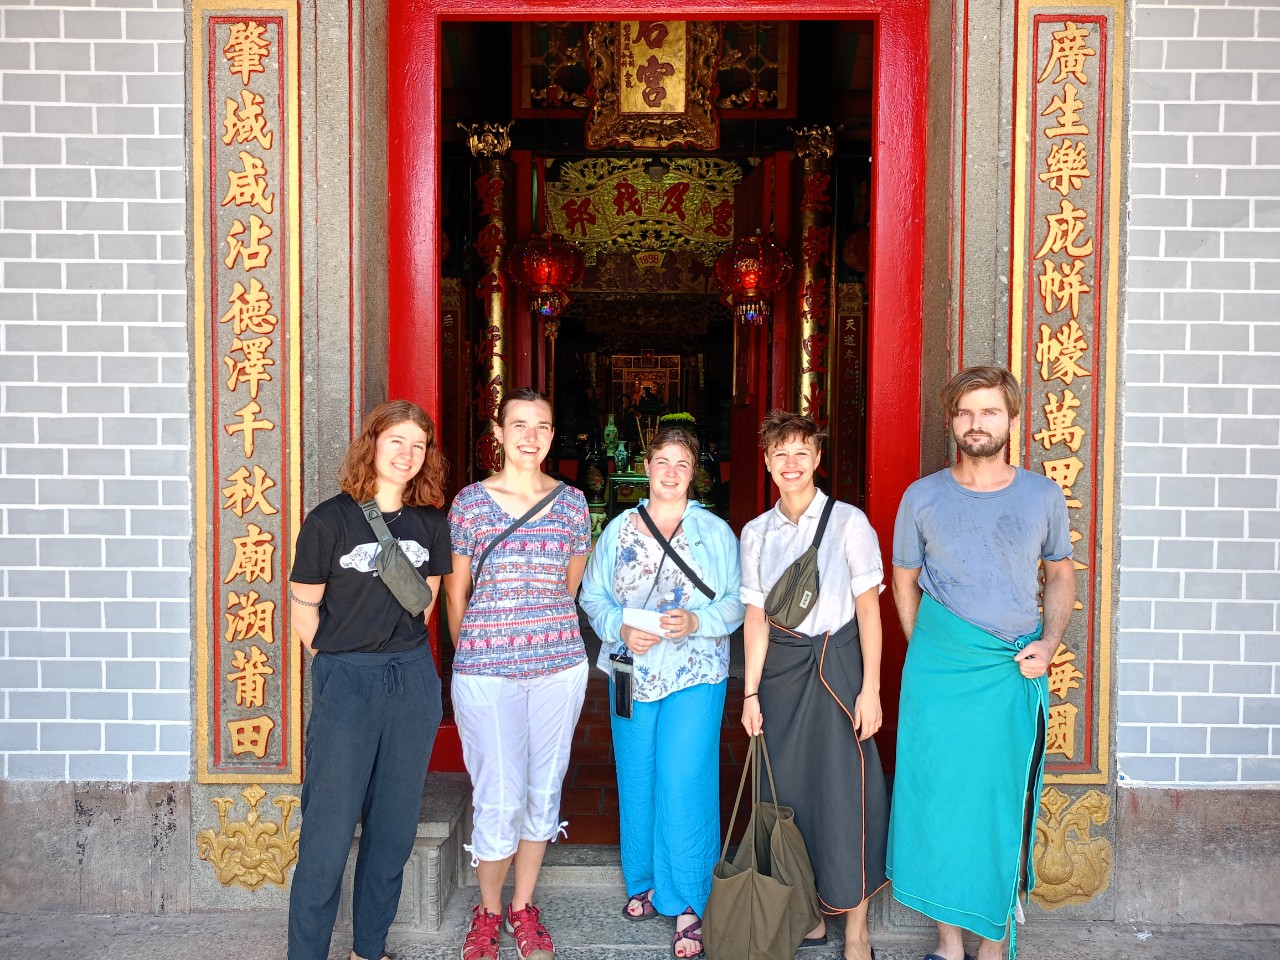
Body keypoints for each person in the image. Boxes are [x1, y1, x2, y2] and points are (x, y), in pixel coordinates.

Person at [887, 366, 1076, 960]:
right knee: (937, 798)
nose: (977, 423)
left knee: (998, 802)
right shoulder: (922, 496)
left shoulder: (1042, 495)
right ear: (951, 422)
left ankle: (991, 943)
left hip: (1009, 672)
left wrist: (1048, 644)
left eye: (990, 412)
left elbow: (1061, 574)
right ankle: (948, 945)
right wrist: (930, 648)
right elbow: (904, 579)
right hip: (939, 673)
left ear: (1012, 421)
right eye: (966, 413)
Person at [287, 400, 452, 960]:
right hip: (348, 683)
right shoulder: (329, 520)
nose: (407, 454)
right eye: (396, 442)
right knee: (328, 836)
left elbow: (423, 606)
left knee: (393, 833)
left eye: (418, 445)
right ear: (372, 446)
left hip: (410, 680)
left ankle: (369, 948)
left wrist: (392, 659)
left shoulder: (431, 521)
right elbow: (304, 612)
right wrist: (346, 662)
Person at [579, 425, 746, 960]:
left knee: (684, 776)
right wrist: (619, 630)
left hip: (696, 671)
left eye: (682, 464)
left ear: (694, 472)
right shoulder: (620, 530)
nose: (671, 472)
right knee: (638, 771)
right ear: (646, 466)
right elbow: (593, 595)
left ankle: (691, 899)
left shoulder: (714, 532)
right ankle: (646, 879)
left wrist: (695, 621)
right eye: (662, 461)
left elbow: (736, 605)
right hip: (632, 669)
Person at [444, 388, 593, 960]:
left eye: (543, 427)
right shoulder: (471, 504)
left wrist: (535, 633)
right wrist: (478, 653)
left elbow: (568, 586)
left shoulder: (573, 504)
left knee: (541, 788)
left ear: (552, 436)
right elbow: (457, 594)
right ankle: (487, 915)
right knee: (497, 795)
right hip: (486, 669)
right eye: (520, 425)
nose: (531, 437)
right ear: (499, 435)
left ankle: (523, 907)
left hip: (557, 667)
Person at [739, 410, 889, 960]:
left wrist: (870, 689)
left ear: (818, 459)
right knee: (788, 796)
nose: (791, 464)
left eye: (801, 452)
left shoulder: (849, 522)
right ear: (767, 464)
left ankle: (855, 927)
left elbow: (869, 612)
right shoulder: (756, 532)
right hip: (779, 676)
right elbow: (755, 618)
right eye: (780, 454)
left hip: (836, 669)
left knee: (846, 792)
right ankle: (807, 913)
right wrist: (750, 693)